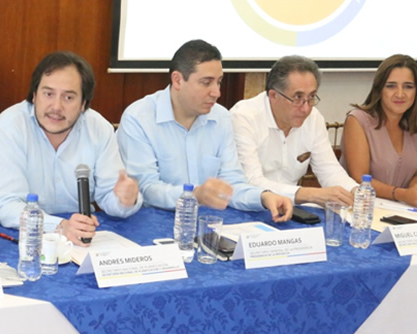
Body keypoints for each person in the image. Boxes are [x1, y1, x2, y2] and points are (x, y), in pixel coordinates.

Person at [116, 39, 292, 221]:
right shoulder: (139, 118)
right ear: (177, 80)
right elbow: (146, 189)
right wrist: (194, 195)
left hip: (206, 221)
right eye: (206, 83)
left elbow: (232, 183)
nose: (216, 92)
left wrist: (263, 197)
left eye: (219, 82)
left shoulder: (221, 117)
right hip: (152, 222)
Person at [0, 51, 142, 245]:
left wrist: (125, 200)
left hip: (82, 238)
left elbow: (109, 198)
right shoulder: (10, 127)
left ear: (83, 104)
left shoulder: (98, 128)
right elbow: (5, 205)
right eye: (48, 94)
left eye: (68, 97)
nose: (56, 107)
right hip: (23, 239)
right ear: (34, 95)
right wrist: (59, 226)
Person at [230, 55, 357, 206]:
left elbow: (329, 169)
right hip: (249, 208)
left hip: (292, 208)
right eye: (297, 97)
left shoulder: (313, 118)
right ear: (273, 96)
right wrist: (309, 194)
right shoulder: (244, 117)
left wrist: (356, 191)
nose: (306, 108)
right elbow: (251, 181)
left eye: (311, 97)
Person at [340, 54, 417, 208]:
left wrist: (416, 191)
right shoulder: (358, 120)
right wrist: (402, 194)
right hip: (362, 208)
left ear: (416, 91)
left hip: (405, 208)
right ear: (379, 89)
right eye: (391, 86)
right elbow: (359, 178)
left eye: (408, 86)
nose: (400, 94)